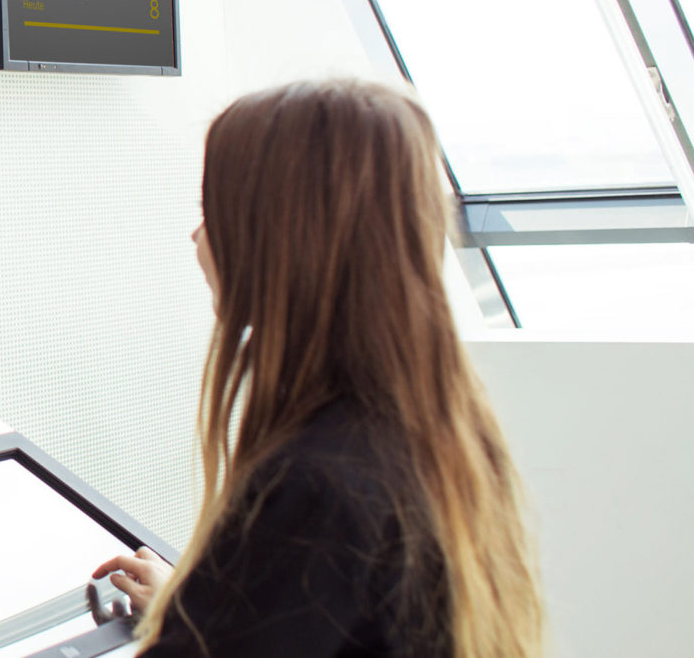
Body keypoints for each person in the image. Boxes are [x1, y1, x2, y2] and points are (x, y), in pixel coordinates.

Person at [93, 79, 544, 657]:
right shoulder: (437, 434)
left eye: (214, 211)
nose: (198, 235)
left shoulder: (313, 486)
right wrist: (199, 612)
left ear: (277, 241)